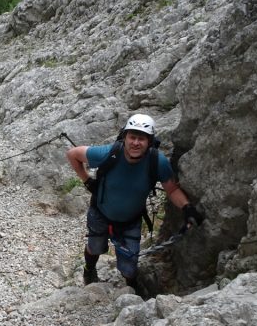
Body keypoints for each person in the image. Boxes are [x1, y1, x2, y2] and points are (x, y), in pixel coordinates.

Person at [65, 114, 203, 294]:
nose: (136, 142)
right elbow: (73, 154)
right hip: (100, 213)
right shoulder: (110, 153)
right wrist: (87, 181)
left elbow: (172, 190)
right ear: (125, 137)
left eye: (141, 138)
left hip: (131, 221)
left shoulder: (157, 162)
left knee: (129, 266)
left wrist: (187, 208)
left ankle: (131, 284)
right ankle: (89, 271)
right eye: (132, 137)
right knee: (95, 247)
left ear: (149, 141)